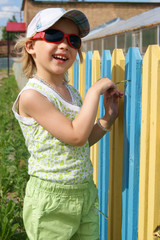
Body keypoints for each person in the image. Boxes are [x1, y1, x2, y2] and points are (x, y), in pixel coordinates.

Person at [12, 8, 123, 240]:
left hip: (84, 192)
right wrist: (94, 91)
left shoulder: (71, 93)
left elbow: (80, 143)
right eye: (53, 35)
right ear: (31, 46)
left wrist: (107, 118)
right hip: (52, 199)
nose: (64, 45)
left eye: (73, 40)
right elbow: (75, 136)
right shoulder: (33, 96)